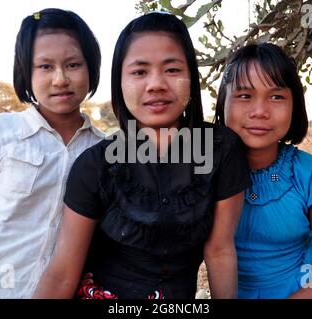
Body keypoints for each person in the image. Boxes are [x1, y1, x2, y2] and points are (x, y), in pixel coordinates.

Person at [33, 12, 251, 299]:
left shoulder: (222, 149)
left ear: (191, 76)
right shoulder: (94, 166)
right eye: (139, 72)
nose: (156, 84)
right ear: (120, 82)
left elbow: (220, 250)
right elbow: (62, 273)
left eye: (172, 70)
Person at [0, 8, 104, 299]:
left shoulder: (103, 151)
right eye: (44, 67)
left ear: (92, 67)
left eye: (73, 64)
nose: (60, 79)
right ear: (25, 73)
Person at [214, 43, 312, 299]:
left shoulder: (307, 173)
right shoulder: (203, 172)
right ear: (223, 103)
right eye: (244, 96)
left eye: (276, 97)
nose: (260, 111)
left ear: (294, 105)